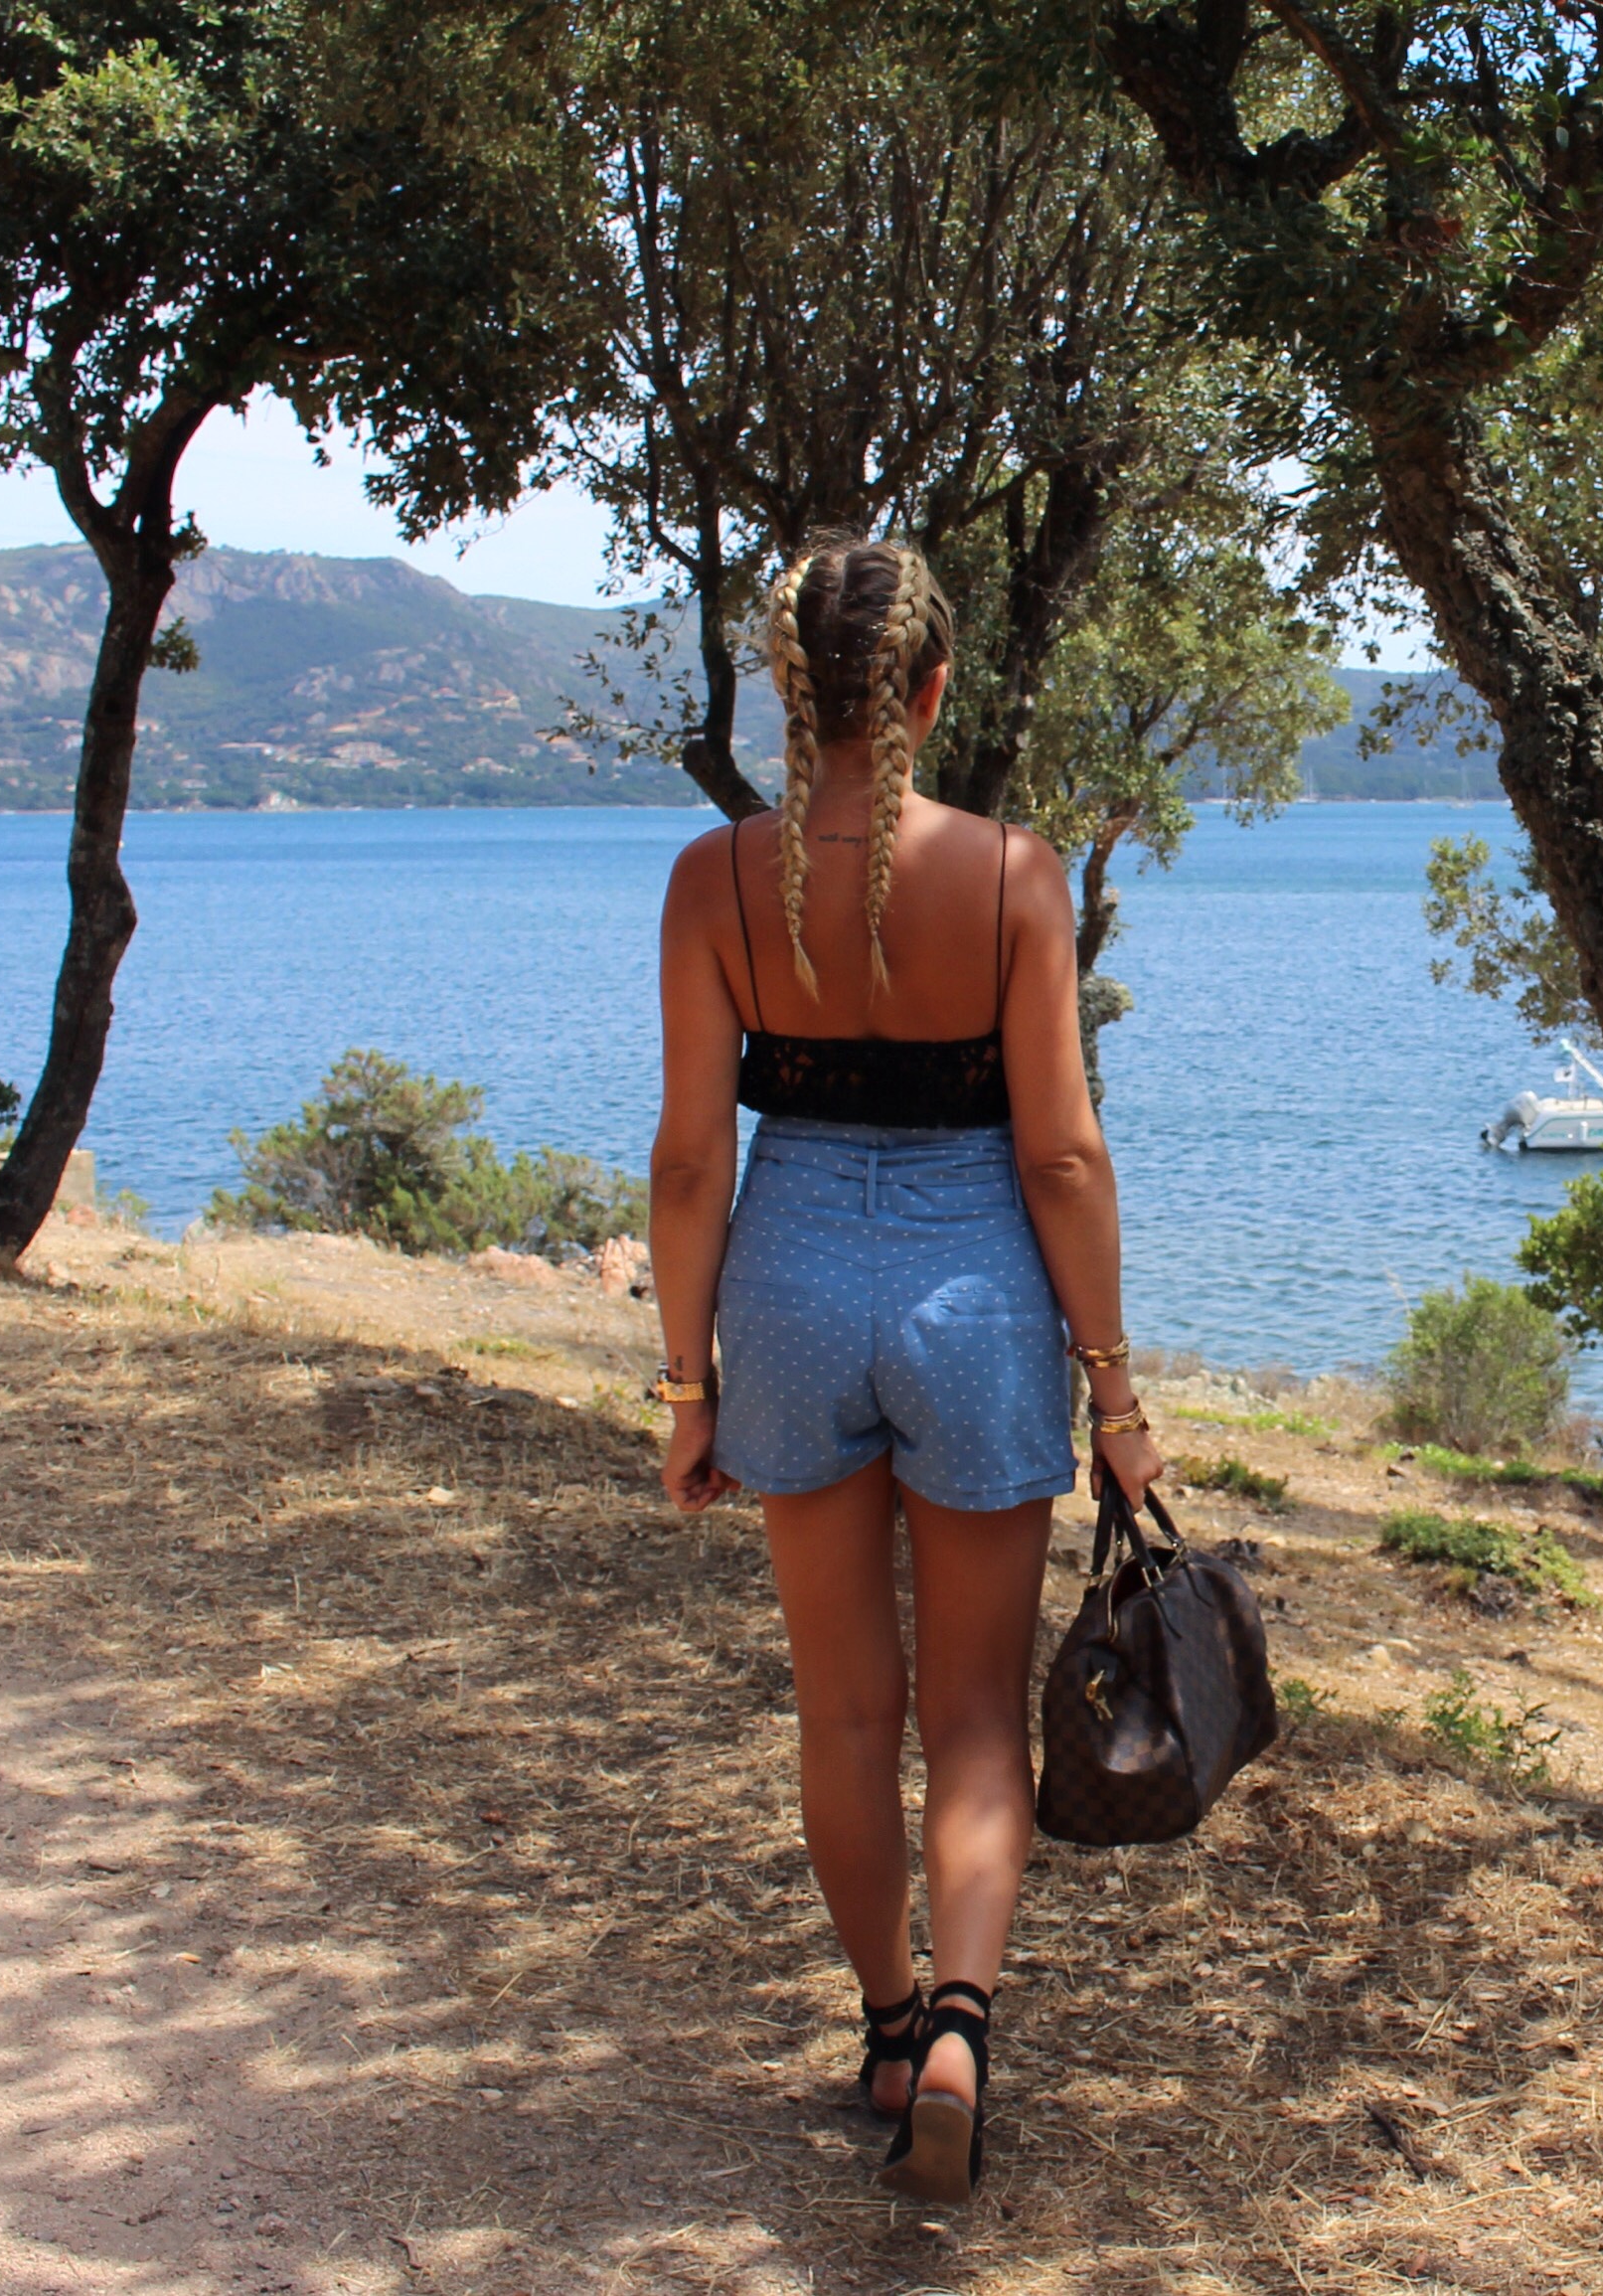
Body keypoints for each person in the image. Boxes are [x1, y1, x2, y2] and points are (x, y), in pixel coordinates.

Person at [644, 534, 1163, 2207]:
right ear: (931, 692)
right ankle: (960, 2028)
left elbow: (688, 1161)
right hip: (976, 1296)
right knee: (975, 1716)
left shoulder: (715, 882)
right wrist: (1116, 1393)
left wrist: (687, 1387)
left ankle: (881, 2024)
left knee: (847, 1711)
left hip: (790, 1287)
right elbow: (1062, 1156)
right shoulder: (1013, 875)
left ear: (788, 693)